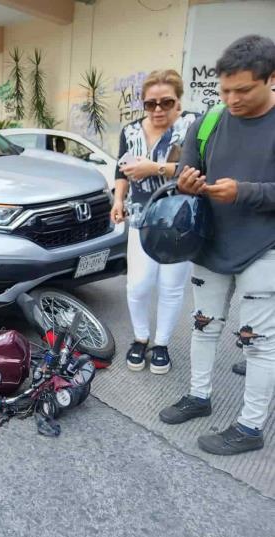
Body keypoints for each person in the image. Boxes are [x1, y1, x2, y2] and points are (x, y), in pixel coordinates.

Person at [158, 35, 275, 455]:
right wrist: (185, 181)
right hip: (210, 243)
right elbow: (186, 170)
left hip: (265, 248)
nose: (232, 99)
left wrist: (245, 192)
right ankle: (198, 396)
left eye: (242, 90)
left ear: (271, 79)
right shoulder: (208, 122)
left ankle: (250, 427)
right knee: (203, 327)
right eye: (225, 90)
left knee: (260, 343)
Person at [111, 70, 198, 374]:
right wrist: (118, 200)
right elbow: (121, 171)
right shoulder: (131, 131)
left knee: (171, 287)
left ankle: (161, 344)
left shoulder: (192, 125)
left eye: (166, 102)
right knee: (138, 285)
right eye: (150, 104)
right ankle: (140, 338)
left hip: (181, 219)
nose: (158, 110)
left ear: (178, 101)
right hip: (141, 218)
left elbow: (199, 168)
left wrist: (155, 168)